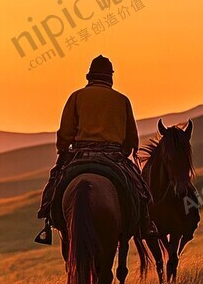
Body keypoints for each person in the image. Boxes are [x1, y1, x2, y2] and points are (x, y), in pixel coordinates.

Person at [35, 54, 156, 244]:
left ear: (89, 75)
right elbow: (131, 137)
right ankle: (146, 223)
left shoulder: (76, 97)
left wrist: (63, 151)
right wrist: (125, 151)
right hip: (113, 155)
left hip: (80, 153)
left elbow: (65, 132)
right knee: (141, 189)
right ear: (111, 76)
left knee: (54, 182)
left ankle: (48, 218)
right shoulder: (121, 99)